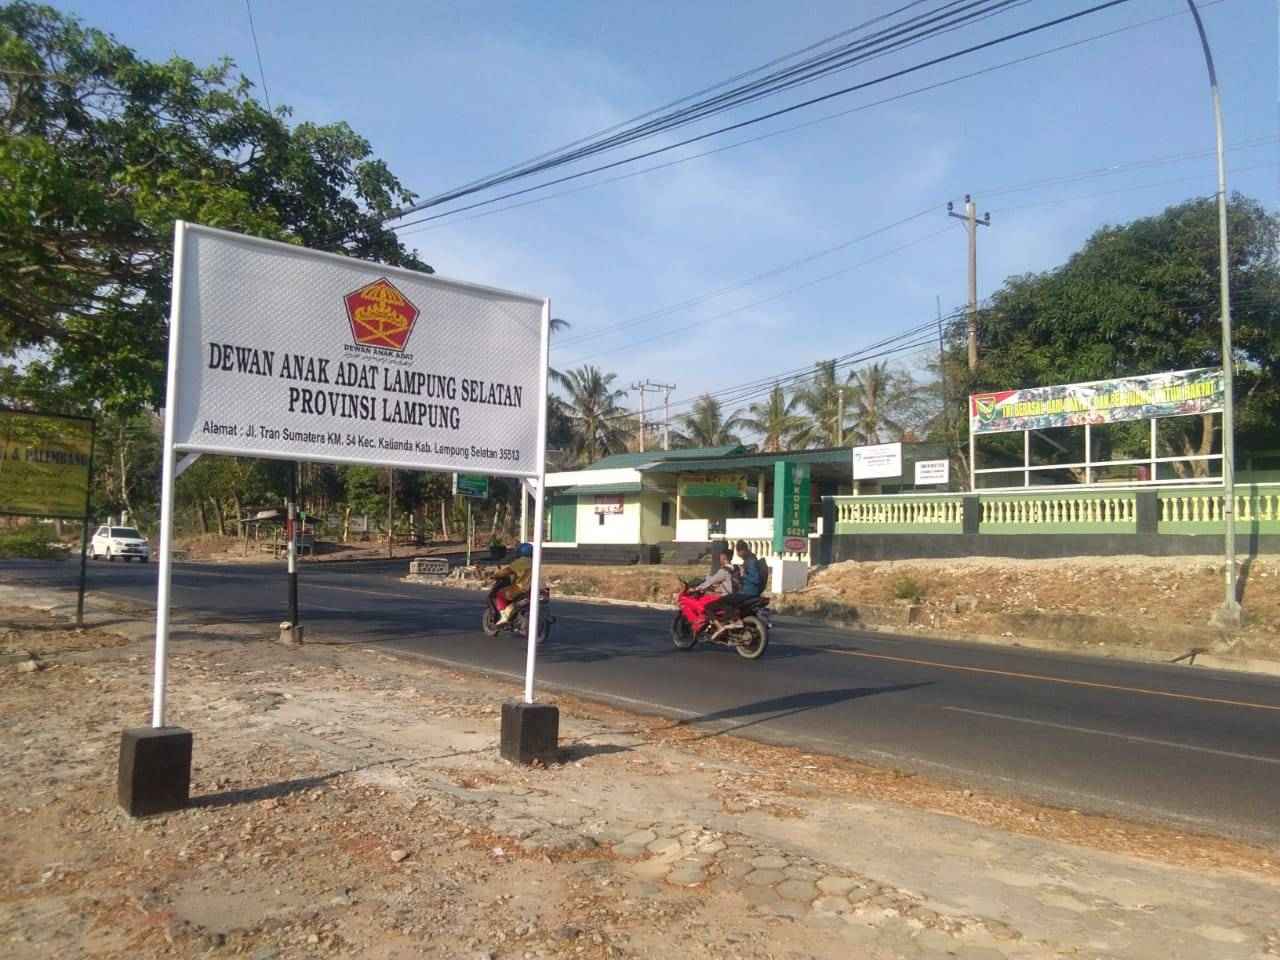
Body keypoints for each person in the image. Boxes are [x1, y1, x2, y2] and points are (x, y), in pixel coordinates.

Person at [491, 542, 534, 624]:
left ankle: (504, 616)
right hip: (531, 587)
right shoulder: (534, 561)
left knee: (500, 594)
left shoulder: (522, 561)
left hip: (521, 587)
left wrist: (496, 575)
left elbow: (508, 570)